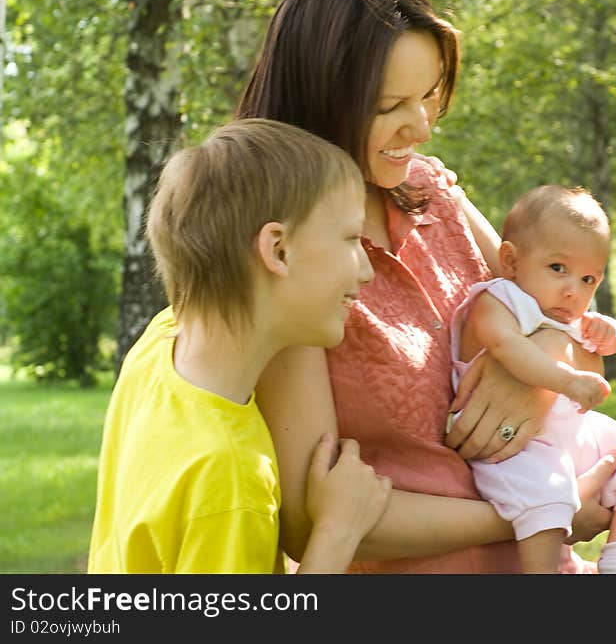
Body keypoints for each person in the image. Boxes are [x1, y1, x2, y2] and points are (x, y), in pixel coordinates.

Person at [236, 0, 616, 573]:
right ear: (318, 97)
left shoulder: (434, 193)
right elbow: (310, 521)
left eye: (430, 96)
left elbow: (582, 346)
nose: (421, 128)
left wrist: (537, 369)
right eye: (390, 106)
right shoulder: (284, 255)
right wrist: (543, 509)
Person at [88, 118, 392, 573]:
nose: (366, 271)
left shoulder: (155, 349)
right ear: (279, 251)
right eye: (351, 239)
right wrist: (339, 529)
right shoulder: (231, 479)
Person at [450, 185, 616, 573]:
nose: (573, 291)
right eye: (558, 268)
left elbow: (594, 353)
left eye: (589, 279)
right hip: (514, 445)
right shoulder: (497, 299)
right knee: (548, 497)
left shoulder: (562, 312)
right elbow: (507, 349)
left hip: (564, 432)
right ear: (511, 260)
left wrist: (606, 333)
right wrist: (567, 381)